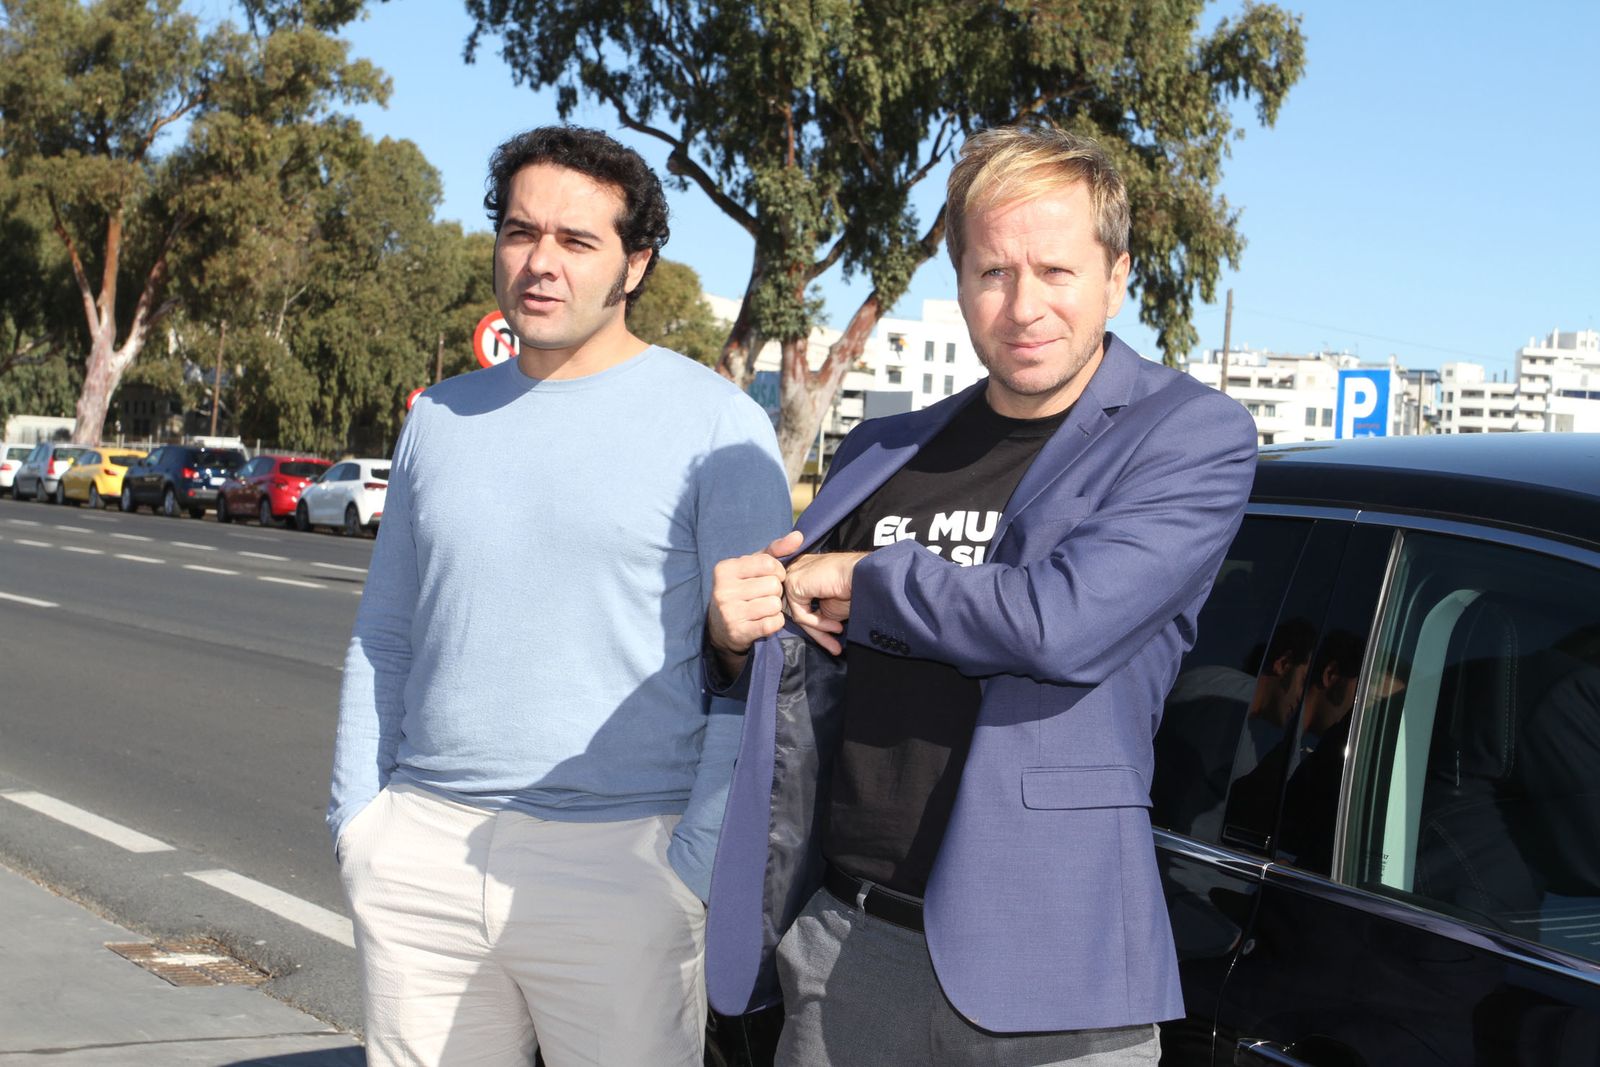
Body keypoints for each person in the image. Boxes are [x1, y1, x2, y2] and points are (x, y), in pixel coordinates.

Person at [702, 123, 1258, 1065]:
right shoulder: (884, 450)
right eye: (992, 272)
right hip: (849, 941)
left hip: (1051, 969)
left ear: (1117, 275)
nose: (1023, 305)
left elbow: (1061, 622)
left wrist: (870, 578)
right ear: (959, 282)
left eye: (1056, 270)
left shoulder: (1188, 435)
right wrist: (733, 629)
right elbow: (802, 649)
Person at [328, 125, 791, 1067]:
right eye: (519, 231)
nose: (540, 263)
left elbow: (759, 670)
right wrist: (360, 824)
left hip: (623, 866)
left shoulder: (720, 428)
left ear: (634, 265)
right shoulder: (440, 417)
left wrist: (689, 867)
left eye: (577, 242)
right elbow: (385, 631)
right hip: (420, 855)